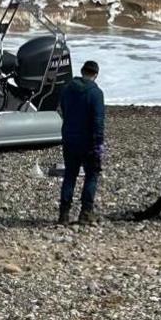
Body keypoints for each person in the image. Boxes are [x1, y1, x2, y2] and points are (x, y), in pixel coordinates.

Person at [57, 59, 105, 225]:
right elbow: (98, 121)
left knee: (70, 174)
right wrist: (99, 144)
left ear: (82, 71)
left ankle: (64, 214)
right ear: (96, 75)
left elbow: (63, 109)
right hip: (88, 141)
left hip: (69, 138)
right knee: (92, 174)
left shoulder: (67, 89)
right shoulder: (96, 93)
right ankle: (86, 212)